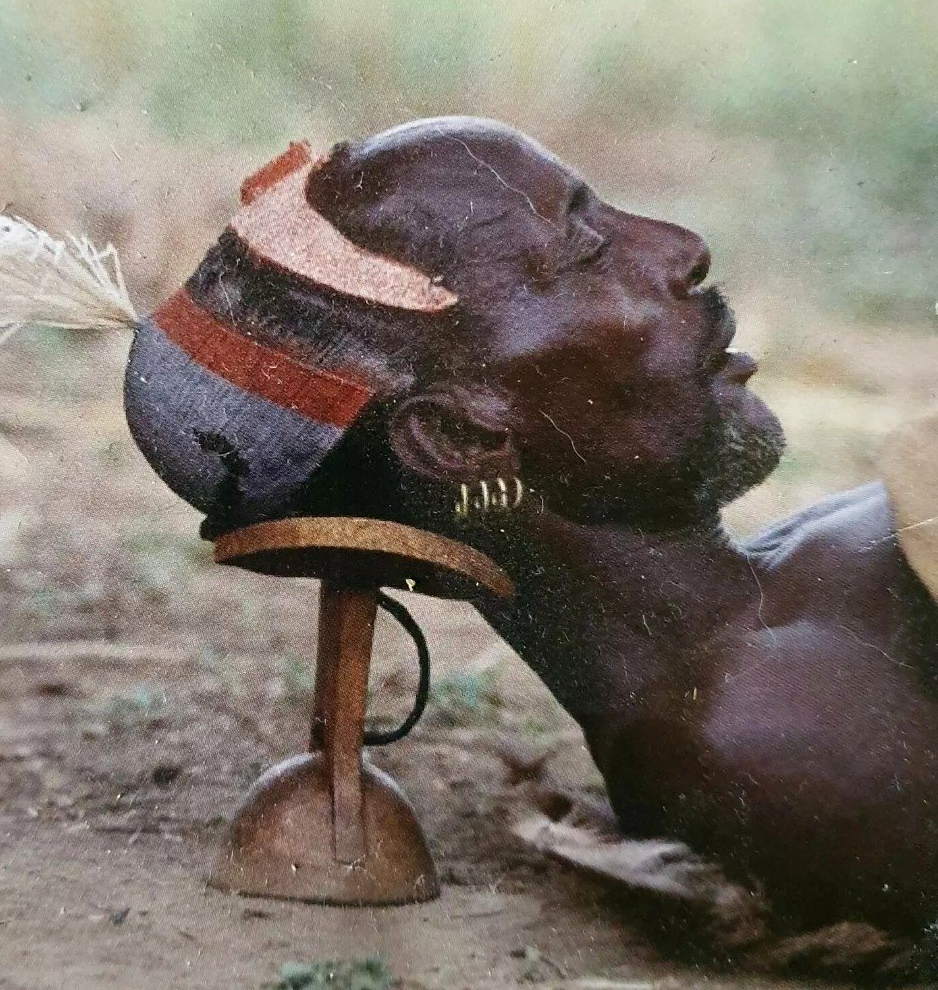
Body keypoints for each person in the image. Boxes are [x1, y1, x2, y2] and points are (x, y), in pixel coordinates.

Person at [124, 117, 937, 944]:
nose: (682, 247)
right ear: (464, 439)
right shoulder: (756, 736)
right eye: (586, 251)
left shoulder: (786, 600)